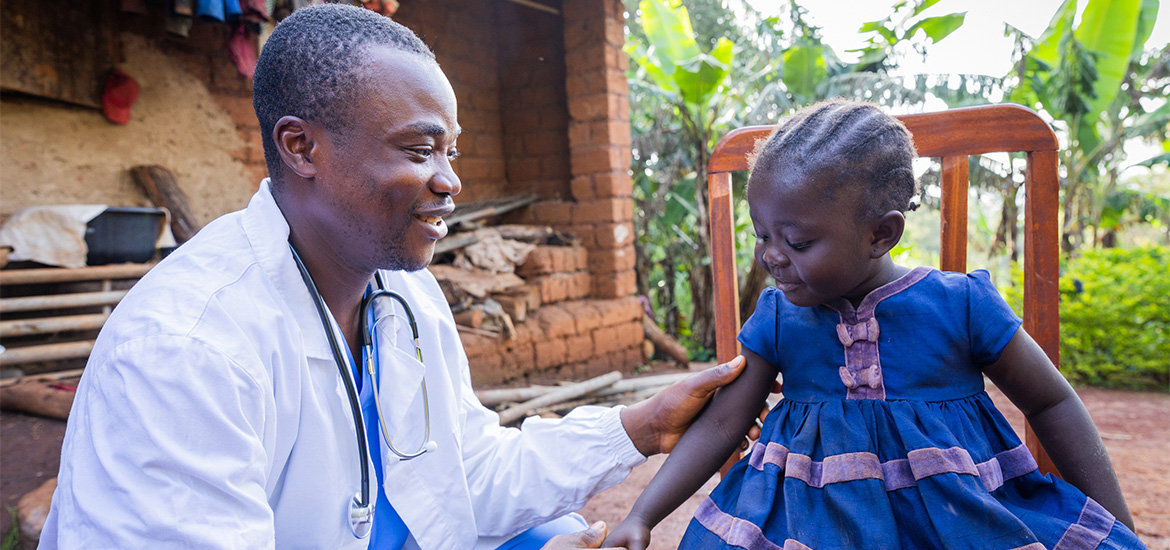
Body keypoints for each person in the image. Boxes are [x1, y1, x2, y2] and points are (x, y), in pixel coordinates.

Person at [37, 5, 762, 550]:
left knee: (557, 531)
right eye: (419, 150)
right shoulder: (187, 349)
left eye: (451, 151)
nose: (449, 181)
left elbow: (466, 474)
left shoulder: (400, 291)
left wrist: (641, 427)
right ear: (301, 147)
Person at [604, 100, 1147, 550]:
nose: (771, 256)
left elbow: (1051, 402)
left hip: (958, 522)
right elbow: (723, 424)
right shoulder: (778, 316)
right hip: (805, 525)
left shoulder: (961, 305)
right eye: (761, 235)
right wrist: (642, 515)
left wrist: (1116, 527)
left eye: (797, 242)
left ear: (881, 235)